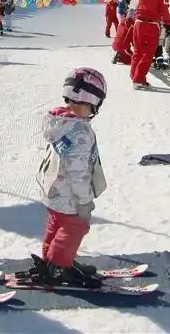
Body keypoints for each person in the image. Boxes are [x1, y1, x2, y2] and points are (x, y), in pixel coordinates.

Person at [23, 68, 108, 288]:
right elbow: (78, 173)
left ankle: (52, 260)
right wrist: (84, 201)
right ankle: (59, 266)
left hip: (54, 191)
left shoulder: (59, 122)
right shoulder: (80, 132)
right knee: (74, 227)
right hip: (70, 196)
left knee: (56, 224)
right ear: (93, 102)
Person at [130, 0, 170, 89]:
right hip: (152, 24)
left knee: (137, 51)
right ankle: (138, 79)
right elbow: (164, 8)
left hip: (138, 22)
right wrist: (167, 23)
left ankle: (134, 76)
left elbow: (133, 2)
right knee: (148, 53)